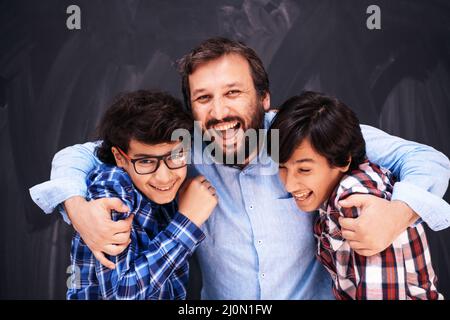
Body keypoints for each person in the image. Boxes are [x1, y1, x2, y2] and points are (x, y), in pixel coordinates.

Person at [30, 37, 450, 299]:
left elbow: (425, 159)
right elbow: (81, 155)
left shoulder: (300, 135)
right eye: (204, 98)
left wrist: (398, 214)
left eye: (233, 93)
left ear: (264, 98)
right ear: (190, 108)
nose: (220, 112)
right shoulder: (180, 148)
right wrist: (77, 208)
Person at [269, 91, 443, 300]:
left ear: (343, 161)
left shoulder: (354, 200)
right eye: (282, 167)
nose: (288, 185)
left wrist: (398, 213)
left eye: (304, 170)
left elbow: (429, 160)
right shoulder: (339, 183)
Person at [66, 90, 217, 299]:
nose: (164, 177)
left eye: (176, 155)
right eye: (145, 161)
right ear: (120, 157)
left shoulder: (166, 188)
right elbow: (123, 294)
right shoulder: (111, 189)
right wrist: (187, 222)